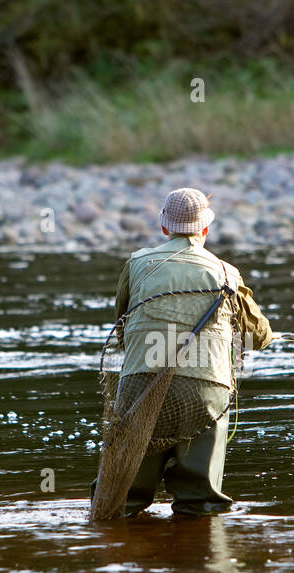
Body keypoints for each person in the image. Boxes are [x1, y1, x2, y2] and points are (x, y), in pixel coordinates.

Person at [108, 187, 273, 516]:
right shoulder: (227, 272)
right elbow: (258, 336)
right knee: (201, 506)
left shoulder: (137, 263)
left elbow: (122, 326)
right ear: (206, 229)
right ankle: (199, 555)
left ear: (164, 227)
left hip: (142, 383)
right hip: (206, 390)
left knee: (121, 500)